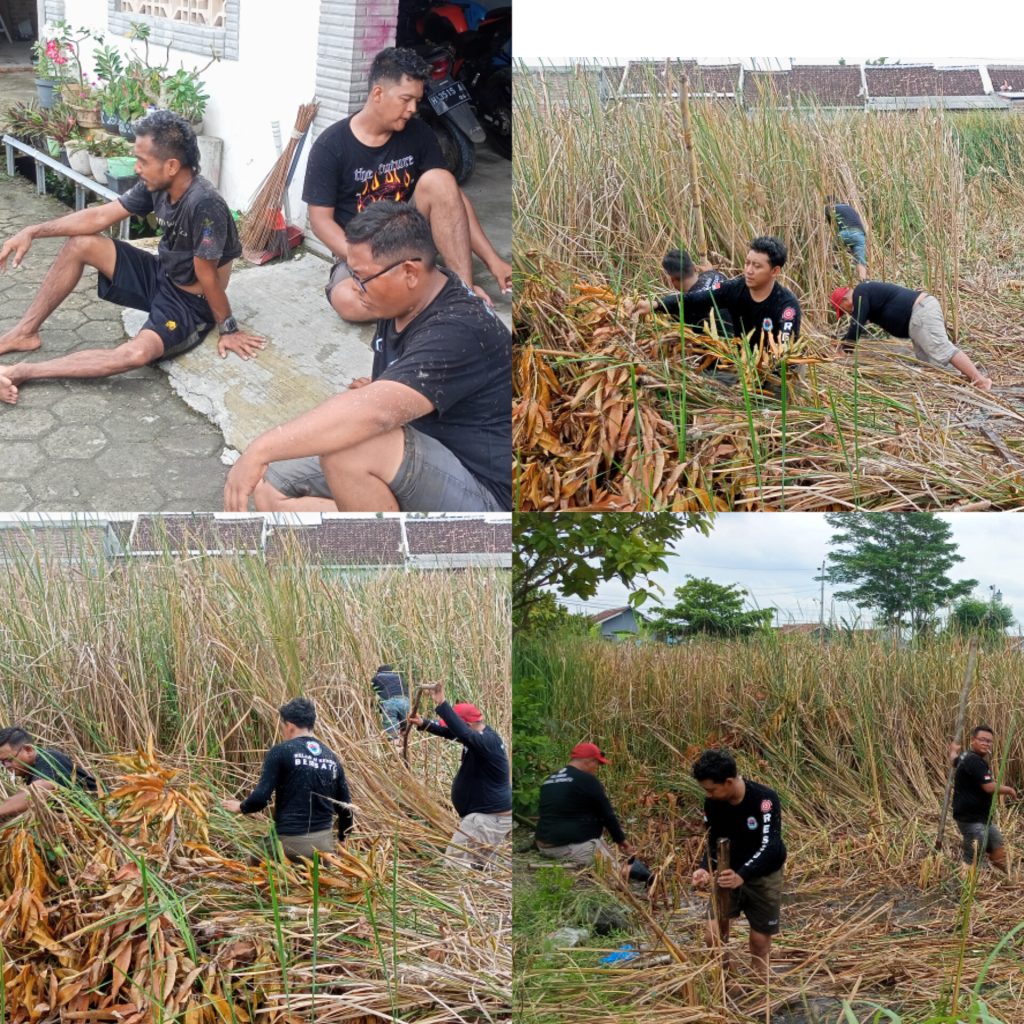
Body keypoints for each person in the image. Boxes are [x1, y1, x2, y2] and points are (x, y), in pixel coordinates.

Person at [224, 202, 511, 513]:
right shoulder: (403, 300)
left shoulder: (459, 328)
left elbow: (375, 414)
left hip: (483, 491)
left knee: (350, 449)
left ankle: (391, 552)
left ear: (409, 273)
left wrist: (258, 450)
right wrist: (383, 389)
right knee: (270, 485)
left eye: (360, 277)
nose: (353, 288)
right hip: (426, 453)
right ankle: (384, 533)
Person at [0, 110, 263, 405]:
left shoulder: (204, 204)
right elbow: (99, 216)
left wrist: (228, 328)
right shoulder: (158, 184)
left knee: (135, 354)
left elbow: (207, 275)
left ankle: (21, 371)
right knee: (81, 244)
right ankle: (25, 332)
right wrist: (33, 231)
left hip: (188, 304)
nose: (137, 168)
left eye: (143, 161)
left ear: (172, 165)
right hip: (160, 274)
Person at [302, 46, 512, 322]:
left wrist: (492, 259)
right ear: (378, 93)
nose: (413, 109)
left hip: (411, 240)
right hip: (362, 253)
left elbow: (451, 198)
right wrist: (361, 258)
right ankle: (428, 291)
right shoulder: (331, 145)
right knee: (346, 302)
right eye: (406, 99)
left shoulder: (419, 133)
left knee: (440, 179)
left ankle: (459, 291)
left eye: (416, 100)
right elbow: (320, 221)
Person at [690, 749, 786, 978]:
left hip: (763, 873)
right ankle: (726, 979)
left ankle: (761, 984)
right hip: (727, 871)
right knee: (712, 935)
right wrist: (705, 867)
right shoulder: (713, 804)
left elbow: (770, 846)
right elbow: (714, 842)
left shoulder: (764, 800)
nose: (709, 794)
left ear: (729, 781)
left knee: (759, 941)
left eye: (712, 789)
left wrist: (742, 874)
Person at [221, 697, 353, 862]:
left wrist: (240, 807)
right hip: (324, 849)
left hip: (289, 842)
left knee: (248, 868)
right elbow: (346, 808)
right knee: (313, 885)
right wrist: (342, 837)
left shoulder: (281, 752)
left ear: (289, 726)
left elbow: (261, 799)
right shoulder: (332, 758)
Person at [408, 681, 511, 867]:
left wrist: (442, 704)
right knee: (481, 867)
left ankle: (460, 896)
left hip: (486, 819)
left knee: (454, 867)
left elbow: (462, 734)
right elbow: (452, 733)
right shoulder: (480, 737)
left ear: (467, 724)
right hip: (488, 818)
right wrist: (425, 724)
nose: (452, 729)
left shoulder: (487, 742)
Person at [645, 236, 801, 353]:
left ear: (775, 271)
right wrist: (656, 304)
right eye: (747, 263)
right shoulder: (734, 288)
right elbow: (693, 299)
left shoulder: (786, 306)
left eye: (757, 266)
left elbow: (784, 350)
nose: (749, 270)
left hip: (774, 370)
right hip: (743, 360)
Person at [830, 282, 991, 389]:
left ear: (844, 299)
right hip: (917, 319)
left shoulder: (860, 292)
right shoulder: (863, 295)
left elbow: (857, 325)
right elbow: (857, 323)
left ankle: (980, 380)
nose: (846, 313)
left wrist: (843, 351)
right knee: (928, 363)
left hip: (921, 313)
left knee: (942, 349)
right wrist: (841, 343)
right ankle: (964, 378)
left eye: (843, 309)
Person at [535, 742, 636, 867]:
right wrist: (621, 840)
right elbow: (606, 814)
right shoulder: (587, 780)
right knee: (618, 870)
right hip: (567, 848)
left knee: (600, 841)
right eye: (597, 764)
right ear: (590, 761)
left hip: (543, 845)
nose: (597, 769)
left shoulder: (550, 779)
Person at [950, 724, 1017, 874]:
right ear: (973, 740)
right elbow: (989, 787)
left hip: (982, 817)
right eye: (982, 740)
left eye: (989, 741)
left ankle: (1010, 875)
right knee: (973, 855)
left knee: (996, 843)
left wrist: (953, 751)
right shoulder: (974, 761)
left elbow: (954, 760)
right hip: (970, 818)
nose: (986, 744)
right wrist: (1009, 790)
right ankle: (966, 886)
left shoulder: (965, 756)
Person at [0, 726, 98, 821]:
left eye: (8, 760)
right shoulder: (31, 773)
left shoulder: (49, 759)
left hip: (105, 811)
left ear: (28, 750)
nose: (6, 766)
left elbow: (37, 792)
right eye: (2, 762)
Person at [632, 248, 731, 335]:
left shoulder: (686, 310)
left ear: (672, 279)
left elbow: (682, 301)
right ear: (693, 267)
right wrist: (709, 271)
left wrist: (654, 304)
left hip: (725, 348)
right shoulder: (716, 275)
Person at [825, 197, 868, 282]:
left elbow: (829, 225)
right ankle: (863, 281)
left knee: (831, 251)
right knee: (860, 260)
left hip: (845, 233)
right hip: (859, 234)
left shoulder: (830, 208)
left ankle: (836, 266)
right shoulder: (849, 208)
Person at [372, 664, 410, 743]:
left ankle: (394, 750)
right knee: (404, 728)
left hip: (390, 702)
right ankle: (406, 749)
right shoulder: (400, 677)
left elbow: (373, 694)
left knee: (392, 734)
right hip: (405, 701)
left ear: (379, 672)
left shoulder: (376, 678)